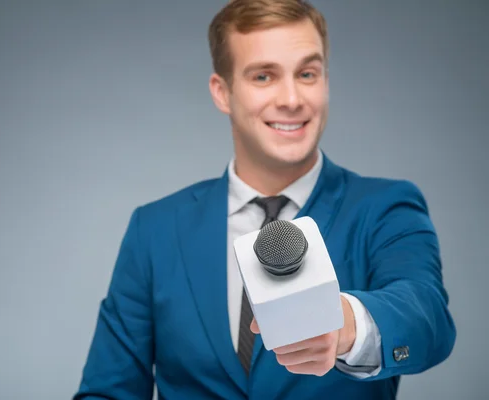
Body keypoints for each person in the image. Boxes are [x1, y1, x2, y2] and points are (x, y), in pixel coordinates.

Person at [72, 0, 456, 398]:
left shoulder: (385, 208)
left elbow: (427, 317)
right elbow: (107, 390)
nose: (291, 98)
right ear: (223, 93)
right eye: (263, 76)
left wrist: (346, 325)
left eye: (307, 73)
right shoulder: (154, 230)